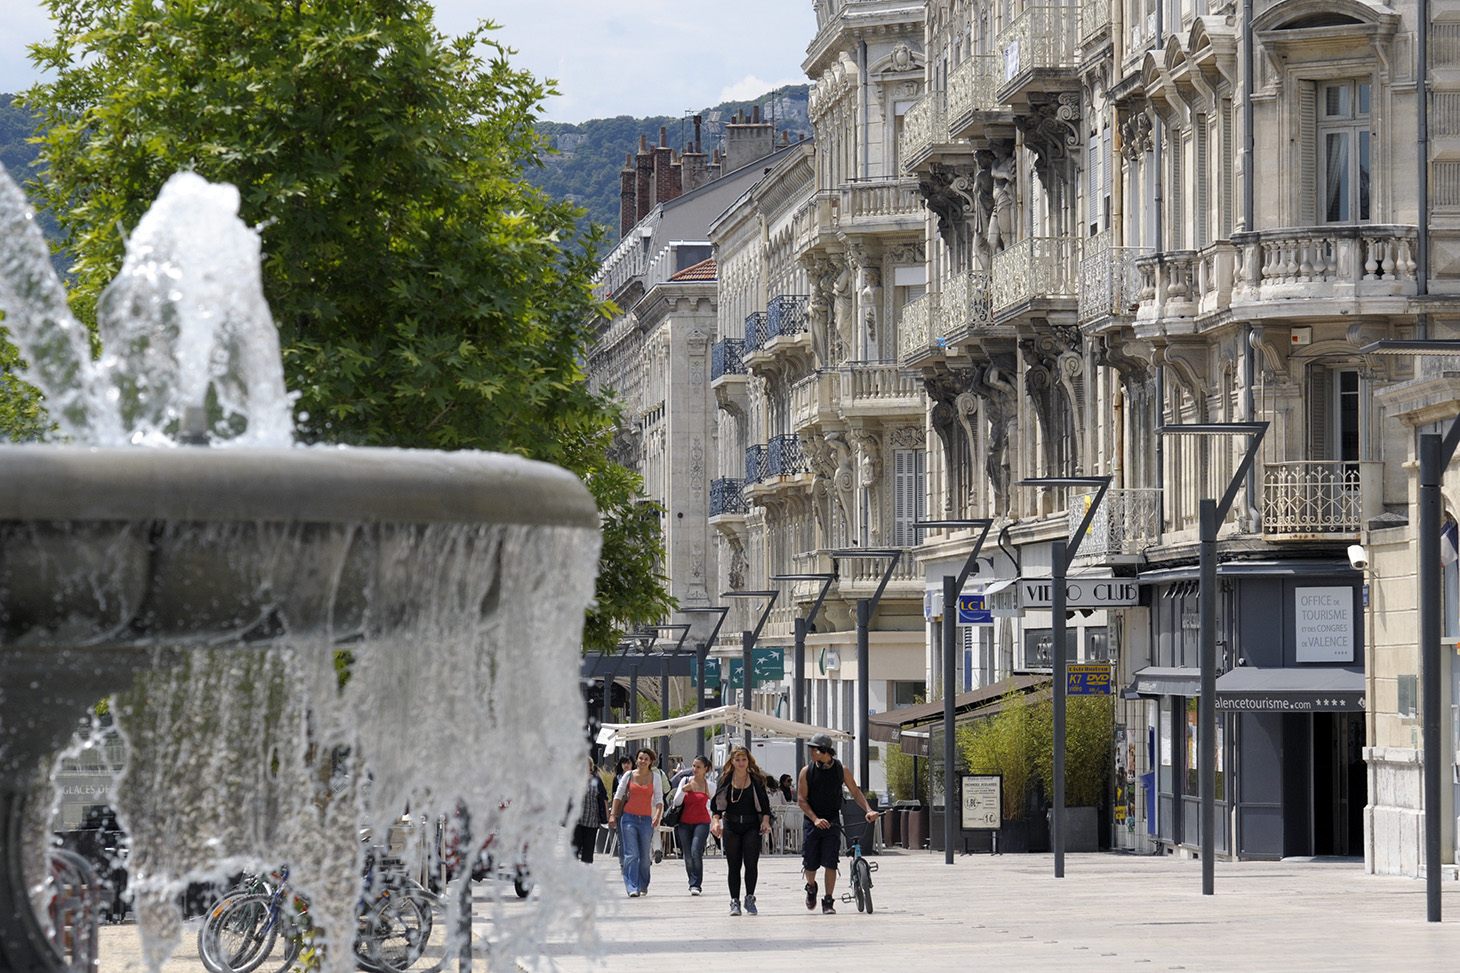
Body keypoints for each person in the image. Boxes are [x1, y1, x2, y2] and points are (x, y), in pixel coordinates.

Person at [797, 732, 878, 915]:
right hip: (812, 821)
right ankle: (811, 887)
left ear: (824, 750)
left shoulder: (841, 769)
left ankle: (828, 900)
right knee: (810, 863)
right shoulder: (806, 771)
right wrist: (815, 819)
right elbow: (801, 800)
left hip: (832, 820)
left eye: (814, 748)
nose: (810, 751)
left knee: (830, 862)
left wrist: (868, 810)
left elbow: (855, 792)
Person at [709, 746, 772, 916]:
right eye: (737, 760)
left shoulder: (756, 779)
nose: (741, 763)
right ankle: (734, 900)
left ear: (748, 761)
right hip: (732, 825)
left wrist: (765, 821)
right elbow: (717, 806)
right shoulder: (726, 779)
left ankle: (750, 897)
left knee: (751, 864)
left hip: (751, 825)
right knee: (733, 865)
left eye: (744, 759)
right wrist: (716, 822)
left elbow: (765, 805)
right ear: (732, 762)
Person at [607, 747, 663, 897]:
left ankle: (643, 883)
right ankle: (632, 887)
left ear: (651, 761)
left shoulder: (655, 777)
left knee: (645, 856)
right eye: (640, 758)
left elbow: (659, 799)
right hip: (629, 818)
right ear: (636, 760)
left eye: (646, 759)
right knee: (631, 854)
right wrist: (612, 814)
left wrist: (657, 815)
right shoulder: (629, 776)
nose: (643, 761)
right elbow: (618, 795)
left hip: (646, 819)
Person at [670, 755, 716, 895]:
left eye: (698, 767)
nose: (695, 769)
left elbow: (714, 806)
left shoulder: (710, 786)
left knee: (696, 851)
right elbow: (676, 803)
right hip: (684, 822)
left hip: (702, 822)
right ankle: (692, 881)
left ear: (705, 769)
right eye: (694, 766)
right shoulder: (685, 780)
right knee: (688, 854)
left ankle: (696, 884)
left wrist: (716, 822)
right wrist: (684, 790)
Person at [571, 755, 608, 864]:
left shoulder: (597, 780)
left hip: (592, 820)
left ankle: (585, 871)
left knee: (588, 847)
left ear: (590, 767)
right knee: (574, 847)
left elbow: (604, 798)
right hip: (576, 820)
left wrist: (607, 816)